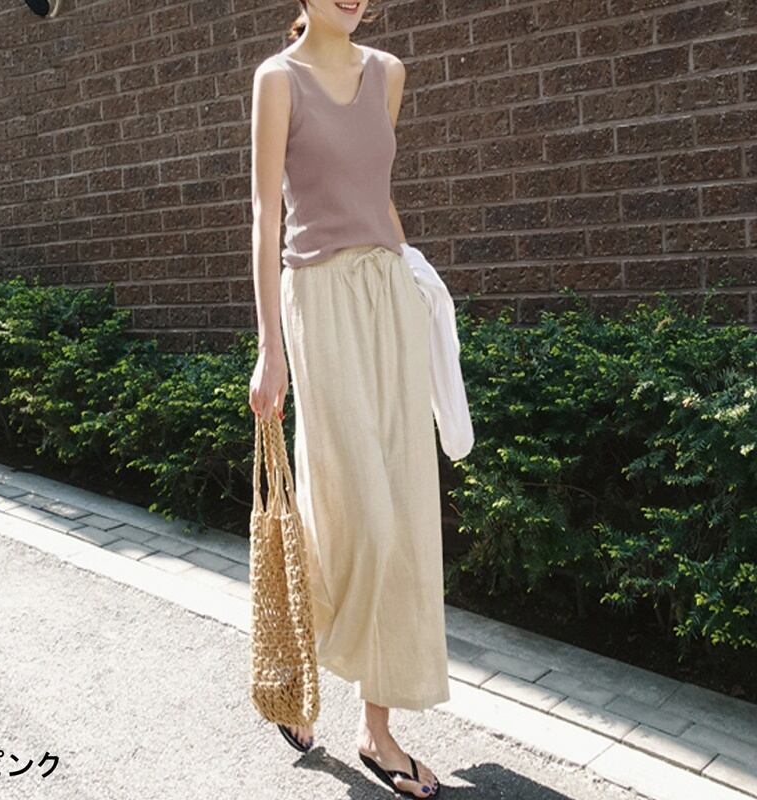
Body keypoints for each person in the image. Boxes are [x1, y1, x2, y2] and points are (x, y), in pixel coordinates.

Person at [248, 1, 448, 797]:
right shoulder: (278, 81)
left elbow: (377, 195)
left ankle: (377, 729)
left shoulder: (389, 74)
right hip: (319, 299)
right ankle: (300, 665)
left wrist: (418, 285)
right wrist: (270, 349)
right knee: (352, 504)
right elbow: (266, 216)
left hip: (388, 293)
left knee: (403, 507)